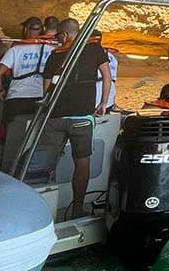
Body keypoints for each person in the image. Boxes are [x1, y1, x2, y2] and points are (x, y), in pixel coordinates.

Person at [41, 18, 112, 218]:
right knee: (82, 162)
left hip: (56, 117)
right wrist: (104, 103)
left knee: (48, 161)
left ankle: (45, 207)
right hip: (82, 116)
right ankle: (77, 207)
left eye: (58, 36)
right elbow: (106, 76)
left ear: (64, 35)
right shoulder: (95, 50)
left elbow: (46, 89)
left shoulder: (55, 55)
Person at [0, 17, 56, 168]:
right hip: (40, 99)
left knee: (10, 137)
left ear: (26, 29)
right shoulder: (52, 50)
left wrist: (1, 91)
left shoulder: (16, 49)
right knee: (34, 138)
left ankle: (6, 169)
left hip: (17, 98)